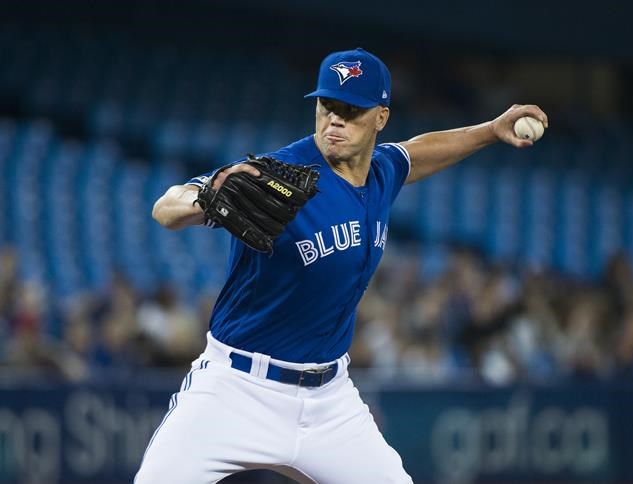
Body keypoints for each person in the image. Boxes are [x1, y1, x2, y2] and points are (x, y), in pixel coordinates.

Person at [135, 47, 548, 483]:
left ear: (380, 118)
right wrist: (205, 198)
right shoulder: (279, 173)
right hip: (236, 388)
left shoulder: (382, 172)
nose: (335, 119)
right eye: (327, 105)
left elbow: (417, 151)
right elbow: (166, 208)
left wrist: (489, 130)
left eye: (351, 110)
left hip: (329, 402)